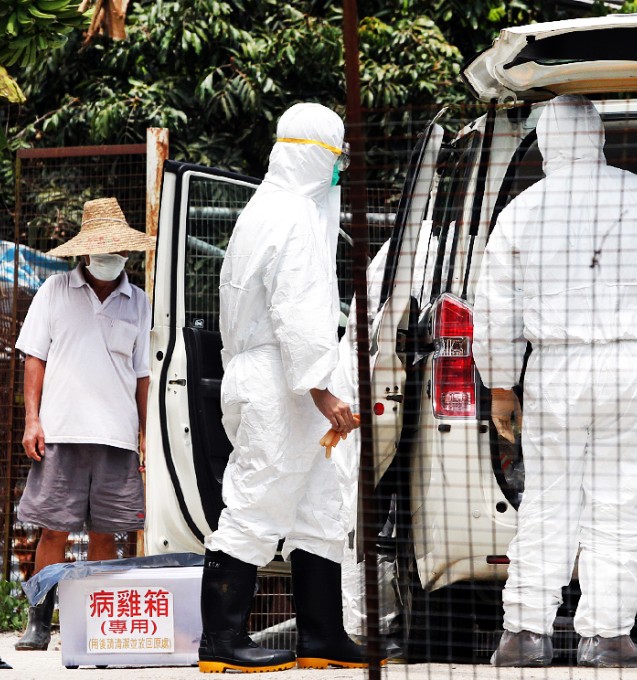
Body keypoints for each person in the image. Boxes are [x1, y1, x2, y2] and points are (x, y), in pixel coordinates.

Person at [474, 94, 637, 668]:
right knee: (620, 502)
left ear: (546, 143)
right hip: (635, 366)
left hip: (557, 368)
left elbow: (495, 307)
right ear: (600, 138)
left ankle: (524, 632)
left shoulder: (523, 210)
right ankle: (609, 636)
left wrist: (500, 384)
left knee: (548, 498)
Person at [198, 102, 367, 673]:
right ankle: (220, 642)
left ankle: (322, 636)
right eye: (337, 158)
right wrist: (322, 390)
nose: (339, 171)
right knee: (256, 501)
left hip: (273, 374)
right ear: (315, 155)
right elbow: (298, 308)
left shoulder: (264, 208)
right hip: (283, 382)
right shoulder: (293, 217)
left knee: (319, 505)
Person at [13, 197, 154, 654]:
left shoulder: (140, 301)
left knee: (105, 532)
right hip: (61, 431)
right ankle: (38, 621)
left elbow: (142, 375)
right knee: (52, 529)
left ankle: (99, 624)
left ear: (128, 253)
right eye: (104, 248)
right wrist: (32, 420)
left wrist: (144, 436)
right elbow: (35, 357)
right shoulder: (54, 290)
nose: (112, 257)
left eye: (119, 249)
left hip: (116, 436)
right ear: (85, 252)